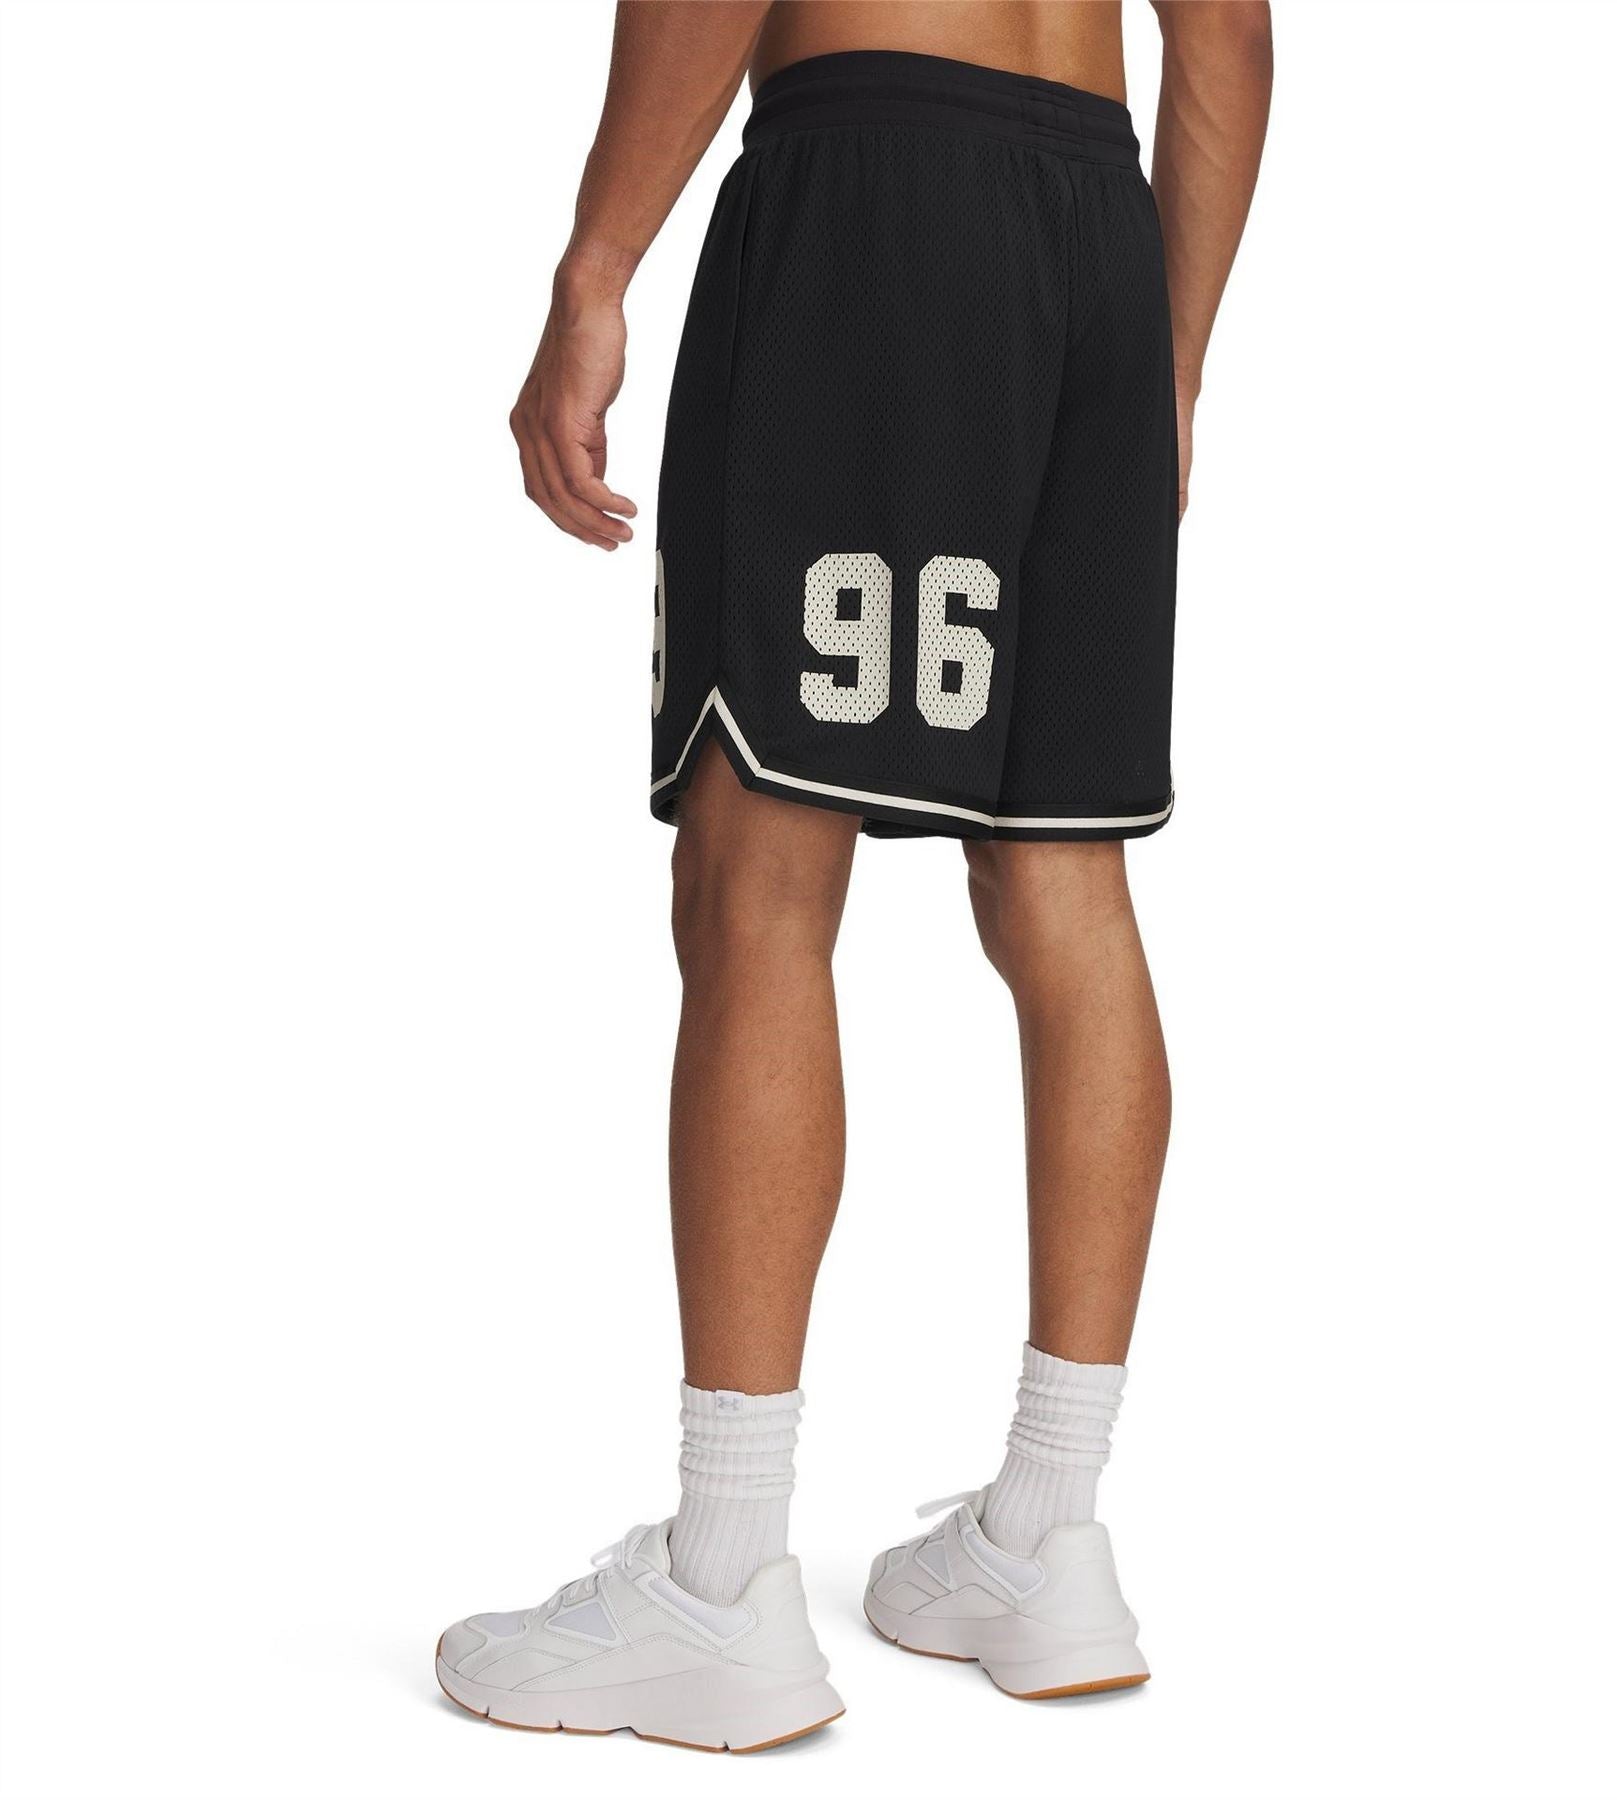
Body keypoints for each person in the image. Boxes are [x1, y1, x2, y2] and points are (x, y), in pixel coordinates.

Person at [435, 0, 1272, 1752]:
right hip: (1101, 222)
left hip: (877, 187)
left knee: (758, 873)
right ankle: (1047, 1535)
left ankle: (721, 1579)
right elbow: (1228, 29)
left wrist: (597, 266)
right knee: (1062, 883)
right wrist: (1171, 358)